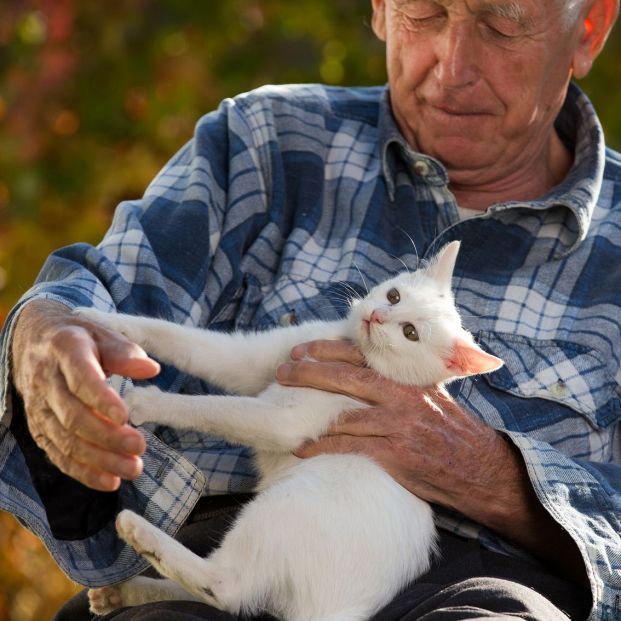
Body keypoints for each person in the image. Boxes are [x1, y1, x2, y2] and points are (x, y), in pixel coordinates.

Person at [2, 0, 620, 619]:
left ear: (588, 30)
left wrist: (501, 483)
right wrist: (47, 334)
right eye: (424, 14)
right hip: (217, 568)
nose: (452, 65)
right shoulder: (267, 143)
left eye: (502, 23)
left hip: (492, 595)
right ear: (380, 9)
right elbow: (99, 294)